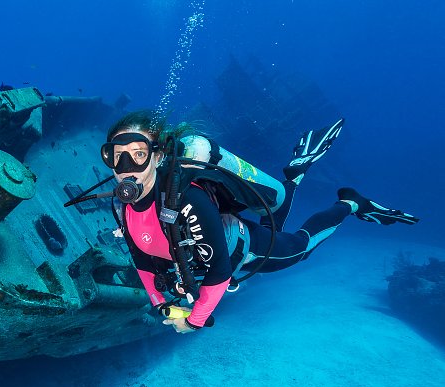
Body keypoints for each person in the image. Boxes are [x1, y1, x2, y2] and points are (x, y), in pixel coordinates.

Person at [100, 111, 419, 333]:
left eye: (138, 153)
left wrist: (195, 321)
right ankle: (295, 174)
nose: (126, 166)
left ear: (157, 157)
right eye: (116, 155)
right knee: (273, 220)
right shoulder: (126, 208)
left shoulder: (186, 200)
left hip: (247, 249)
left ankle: (350, 203)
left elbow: (220, 271)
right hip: (222, 245)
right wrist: (158, 304)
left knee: (301, 246)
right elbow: (142, 259)